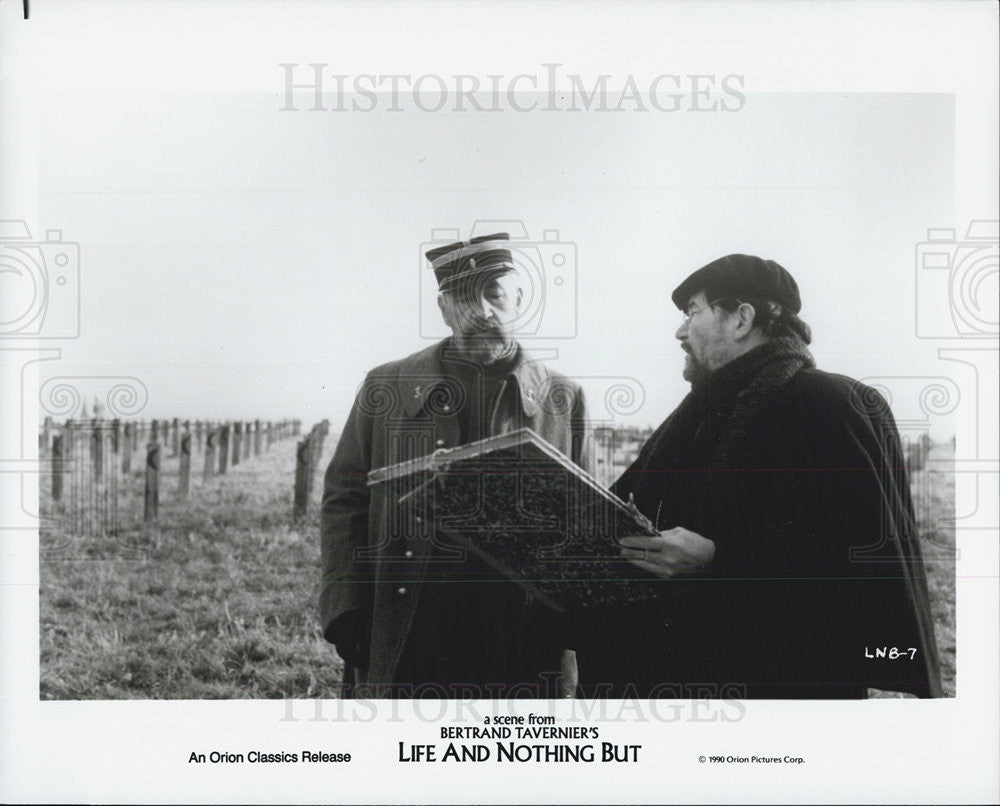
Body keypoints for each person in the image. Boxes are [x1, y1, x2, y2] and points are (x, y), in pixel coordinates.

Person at [575, 254, 943, 699]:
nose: (679, 330)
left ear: (741, 318)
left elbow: (860, 577)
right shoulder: (694, 414)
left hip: (777, 697)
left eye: (692, 311)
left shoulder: (832, 405)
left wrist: (717, 562)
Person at [320, 233, 588, 698]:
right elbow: (345, 500)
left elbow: (584, 519)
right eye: (465, 297)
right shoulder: (386, 386)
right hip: (414, 624)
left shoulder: (562, 397)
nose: (483, 311)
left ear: (520, 300)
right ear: (444, 309)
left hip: (520, 634)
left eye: (495, 293)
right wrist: (347, 608)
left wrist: (573, 622)